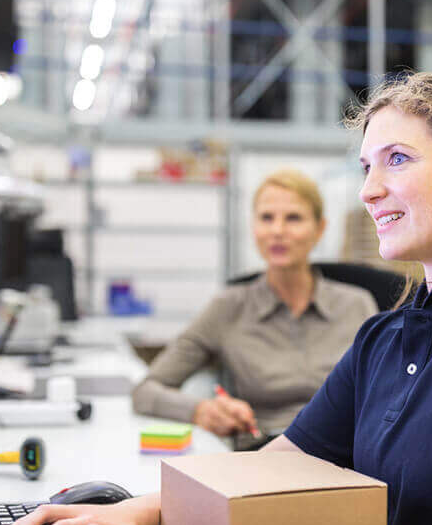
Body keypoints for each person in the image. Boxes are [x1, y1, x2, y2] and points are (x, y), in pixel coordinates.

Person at [0, 72, 432, 525]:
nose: (369, 190)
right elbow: (278, 467)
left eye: (397, 159)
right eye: (366, 167)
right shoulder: (386, 334)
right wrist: (131, 511)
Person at [132, 168, 378, 439]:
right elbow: (145, 391)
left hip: (348, 452)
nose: (277, 231)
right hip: (266, 452)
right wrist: (200, 410)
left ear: (319, 229)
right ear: (253, 227)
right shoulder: (228, 308)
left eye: (293, 218)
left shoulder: (357, 306)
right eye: (266, 218)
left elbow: (387, 393)